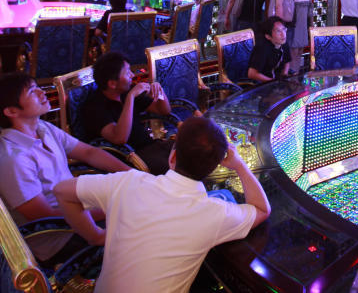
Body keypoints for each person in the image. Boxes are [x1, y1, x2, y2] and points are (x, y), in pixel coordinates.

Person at [53, 117, 270, 293]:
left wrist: (95, 235)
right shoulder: (214, 213)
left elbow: (62, 192)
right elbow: (261, 209)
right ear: (212, 169)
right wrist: (240, 166)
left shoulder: (128, 182)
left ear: (172, 156)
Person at [0, 73, 132, 263]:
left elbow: (89, 153)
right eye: (31, 91)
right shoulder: (13, 160)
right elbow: (45, 216)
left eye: (38, 86)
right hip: (59, 238)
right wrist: (110, 208)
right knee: (145, 228)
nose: (42, 92)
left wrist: (131, 174)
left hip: (81, 210)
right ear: (11, 111)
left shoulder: (42, 128)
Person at [81, 51, 173, 175]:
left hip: (152, 146)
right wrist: (130, 98)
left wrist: (158, 90)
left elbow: (164, 110)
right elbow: (120, 138)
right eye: (127, 72)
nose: (132, 75)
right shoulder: (95, 107)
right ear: (112, 83)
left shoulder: (126, 90)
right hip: (132, 159)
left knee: (190, 151)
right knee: (178, 169)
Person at [247, 16, 291, 82]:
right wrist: (273, 82)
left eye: (284, 29)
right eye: (278, 31)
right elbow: (251, 74)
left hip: (276, 81)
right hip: (260, 83)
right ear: (268, 36)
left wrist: (285, 74)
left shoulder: (283, 42)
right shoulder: (262, 48)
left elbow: (287, 61)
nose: (283, 34)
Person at [289, 0, 312, 72]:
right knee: (293, 52)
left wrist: (311, 27)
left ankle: (296, 74)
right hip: (293, 26)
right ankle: (291, 75)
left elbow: (310, 13)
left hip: (303, 26)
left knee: (300, 52)